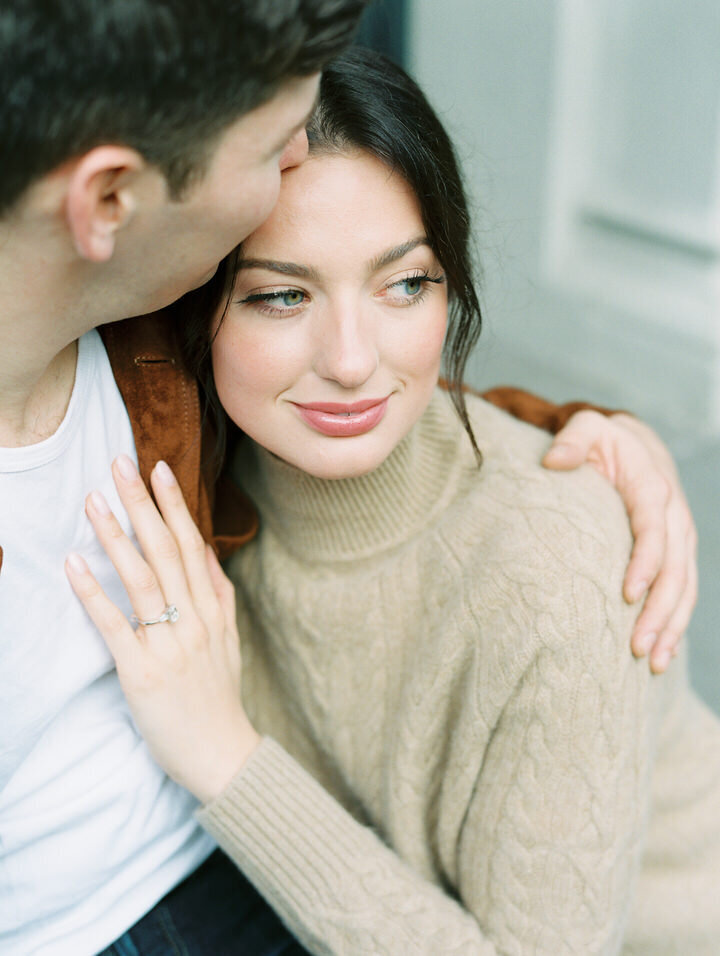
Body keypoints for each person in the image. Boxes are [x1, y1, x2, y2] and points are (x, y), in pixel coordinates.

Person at [68, 49, 719, 954]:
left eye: (405, 283)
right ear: (192, 306)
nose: (350, 358)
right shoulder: (198, 487)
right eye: (282, 296)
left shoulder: (556, 578)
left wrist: (226, 760)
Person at [0, 3, 369, 954]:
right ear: (108, 201)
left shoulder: (151, 319)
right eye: (273, 145)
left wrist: (586, 440)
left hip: (229, 843)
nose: (300, 161)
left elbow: (347, 380)